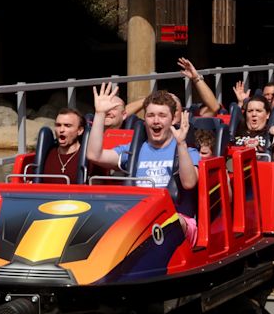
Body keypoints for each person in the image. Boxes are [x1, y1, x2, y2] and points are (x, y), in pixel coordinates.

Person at [87, 83, 200, 245]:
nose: (156, 120)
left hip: (177, 220)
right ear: (144, 119)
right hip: (138, 219)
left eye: (162, 115)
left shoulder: (187, 151)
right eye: (150, 115)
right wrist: (99, 114)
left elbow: (189, 183)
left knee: (166, 224)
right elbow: (94, 155)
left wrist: (181, 144)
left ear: (172, 118)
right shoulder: (134, 150)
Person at [233, 95, 274, 170]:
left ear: (267, 114)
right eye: (250, 111)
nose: (254, 114)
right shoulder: (237, 133)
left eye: (258, 111)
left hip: (265, 174)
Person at [43, 108, 93, 184]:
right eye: (58, 125)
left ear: (80, 130)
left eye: (67, 126)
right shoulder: (46, 154)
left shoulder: (90, 157)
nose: (61, 130)